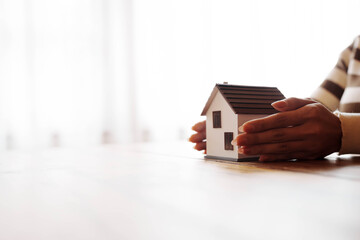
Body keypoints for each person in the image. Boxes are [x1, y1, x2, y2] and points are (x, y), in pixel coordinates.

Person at [189, 36, 360, 161]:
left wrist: (345, 131)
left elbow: (326, 121)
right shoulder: (354, 49)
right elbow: (316, 110)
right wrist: (277, 124)